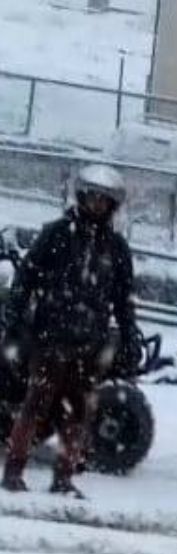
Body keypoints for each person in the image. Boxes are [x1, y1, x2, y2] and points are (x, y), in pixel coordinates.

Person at [1, 163, 137, 496]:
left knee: (77, 414)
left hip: (89, 343)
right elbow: (26, 279)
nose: (97, 205)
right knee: (36, 404)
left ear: (112, 206)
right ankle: (13, 470)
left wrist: (129, 333)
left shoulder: (116, 249)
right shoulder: (56, 234)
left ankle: (63, 477)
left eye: (104, 201)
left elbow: (123, 298)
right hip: (49, 338)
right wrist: (16, 321)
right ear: (81, 197)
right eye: (92, 198)